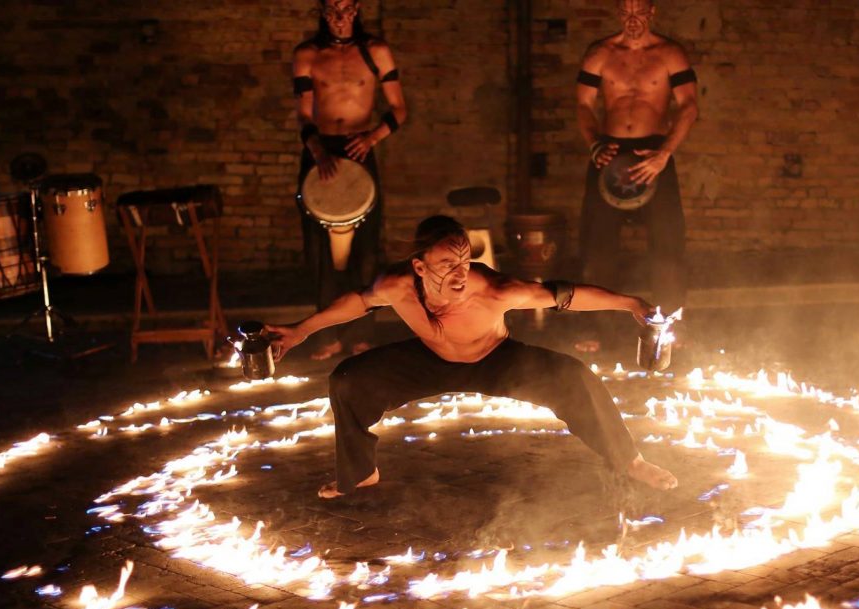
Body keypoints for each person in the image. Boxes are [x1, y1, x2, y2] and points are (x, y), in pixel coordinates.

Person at [266, 215, 679, 499]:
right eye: (447, 263)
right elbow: (356, 303)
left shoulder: (495, 289)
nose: (460, 272)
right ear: (420, 266)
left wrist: (630, 304)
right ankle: (359, 472)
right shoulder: (396, 286)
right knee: (348, 381)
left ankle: (631, 461)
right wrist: (301, 330)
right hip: (428, 360)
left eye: (464, 260)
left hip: (495, 360)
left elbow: (565, 295)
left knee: (574, 376)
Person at [575, 0, 698, 351]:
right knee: (597, 245)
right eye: (625, 12)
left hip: (653, 154)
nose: (632, 20)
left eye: (639, 12)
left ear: (651, 12)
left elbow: (689, 106)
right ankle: (596, 327)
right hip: (609, 152)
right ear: (617, 12)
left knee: (667, 245)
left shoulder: (670, 53)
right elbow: (583, 105)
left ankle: (671, 326)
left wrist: (665, 153)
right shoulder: (600, 53)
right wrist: (594, 144)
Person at [293, 0, 408, 360]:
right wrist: (316, 148)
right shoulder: (308, 54)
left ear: (356, 10)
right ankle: (328, 334)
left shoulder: (375, 51)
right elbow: (303, 113)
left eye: (345, 8)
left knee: (367, 249)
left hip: (360, 148)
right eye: (331, 10)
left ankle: (362, 333)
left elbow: (399, 109)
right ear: (322, 13)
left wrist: (372, 138)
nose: (339, 18)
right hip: (320, 150)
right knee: (318, 251)